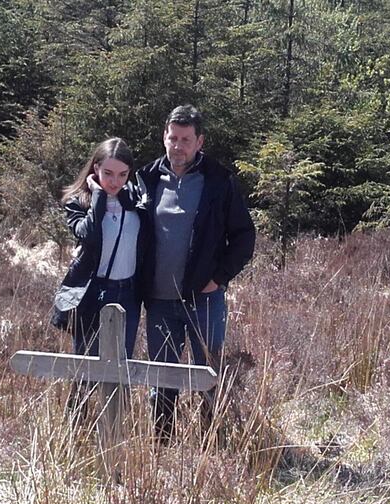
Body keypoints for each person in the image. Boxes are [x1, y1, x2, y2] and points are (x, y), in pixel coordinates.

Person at [136, 105, 255, 440]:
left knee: (208, 377)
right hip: (159, 300)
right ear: (164, 137)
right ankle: (162, 444)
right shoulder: (146, 178)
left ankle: (211, 444)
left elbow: (244, 236)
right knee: (163, 377)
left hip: (204, 301)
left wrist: (218, 279)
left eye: (186, 139)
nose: (178, 145)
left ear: (199, 141)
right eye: (173, 138)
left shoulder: (219, 181)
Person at [51, 137, 147, 361]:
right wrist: (98, 196)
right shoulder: (79, 202)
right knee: (87, 366)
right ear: (96, 169)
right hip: (95, 290)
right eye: (108, 173)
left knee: (121, 367)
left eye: (123, 174)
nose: (115, 181)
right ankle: (80, 398)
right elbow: (88, 233)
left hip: (129, 293)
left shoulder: (135, 199)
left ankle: (117, 399)